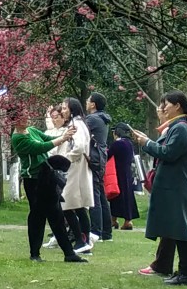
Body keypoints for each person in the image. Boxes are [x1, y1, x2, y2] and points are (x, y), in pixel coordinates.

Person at [132, 93, 187, 285]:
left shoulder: (180, 128)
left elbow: (168, 153)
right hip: (173, 186)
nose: (163, 108)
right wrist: (148, 141)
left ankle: (186, 273)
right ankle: (184, 271)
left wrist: (147, 143)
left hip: (177, 186)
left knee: (180, 230)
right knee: (176, 229)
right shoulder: (177, 128)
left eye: (166, 105)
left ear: (177, 106)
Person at [10, 113, 84, 263]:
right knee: (38, 216)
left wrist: (65, 135)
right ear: (13, 120)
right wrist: (62, 138)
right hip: (33, 180)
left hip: (46, 176)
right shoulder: (18, 138)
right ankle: (35, 254)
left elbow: (48, 140)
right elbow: (40, 147)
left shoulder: (31, 131)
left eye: (25, 115)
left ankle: (69, 253)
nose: (25, 118)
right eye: (20, 117)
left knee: (56, 214)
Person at [48, 99, 95, 246]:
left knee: (68, 205)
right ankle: (82, 241)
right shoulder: (78, 123)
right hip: (77, 169)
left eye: (64, 108)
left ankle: (81, 240)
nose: (62, 111)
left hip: (75, 169)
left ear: (72, 109)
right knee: (78, 206)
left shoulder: (76, 124)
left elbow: (79, 147)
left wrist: (65, 159)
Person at [84, 95, 113, 241]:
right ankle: (106, 231)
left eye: (88, 101)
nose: (86, 103)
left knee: (94, 196)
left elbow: (79, 132)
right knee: (101, 195)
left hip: (93, 159)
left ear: (93, 105)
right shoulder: (102, 119)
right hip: (100, 158)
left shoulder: (92, 119)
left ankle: (96, 231)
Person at [107, 122, 141, 233]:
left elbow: (108, 155)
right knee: (128, 197)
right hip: (127, 173)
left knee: (115, 196)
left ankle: (114, 219)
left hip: (117, 173)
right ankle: (128, 220)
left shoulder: (117, 144)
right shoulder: (129, 143)